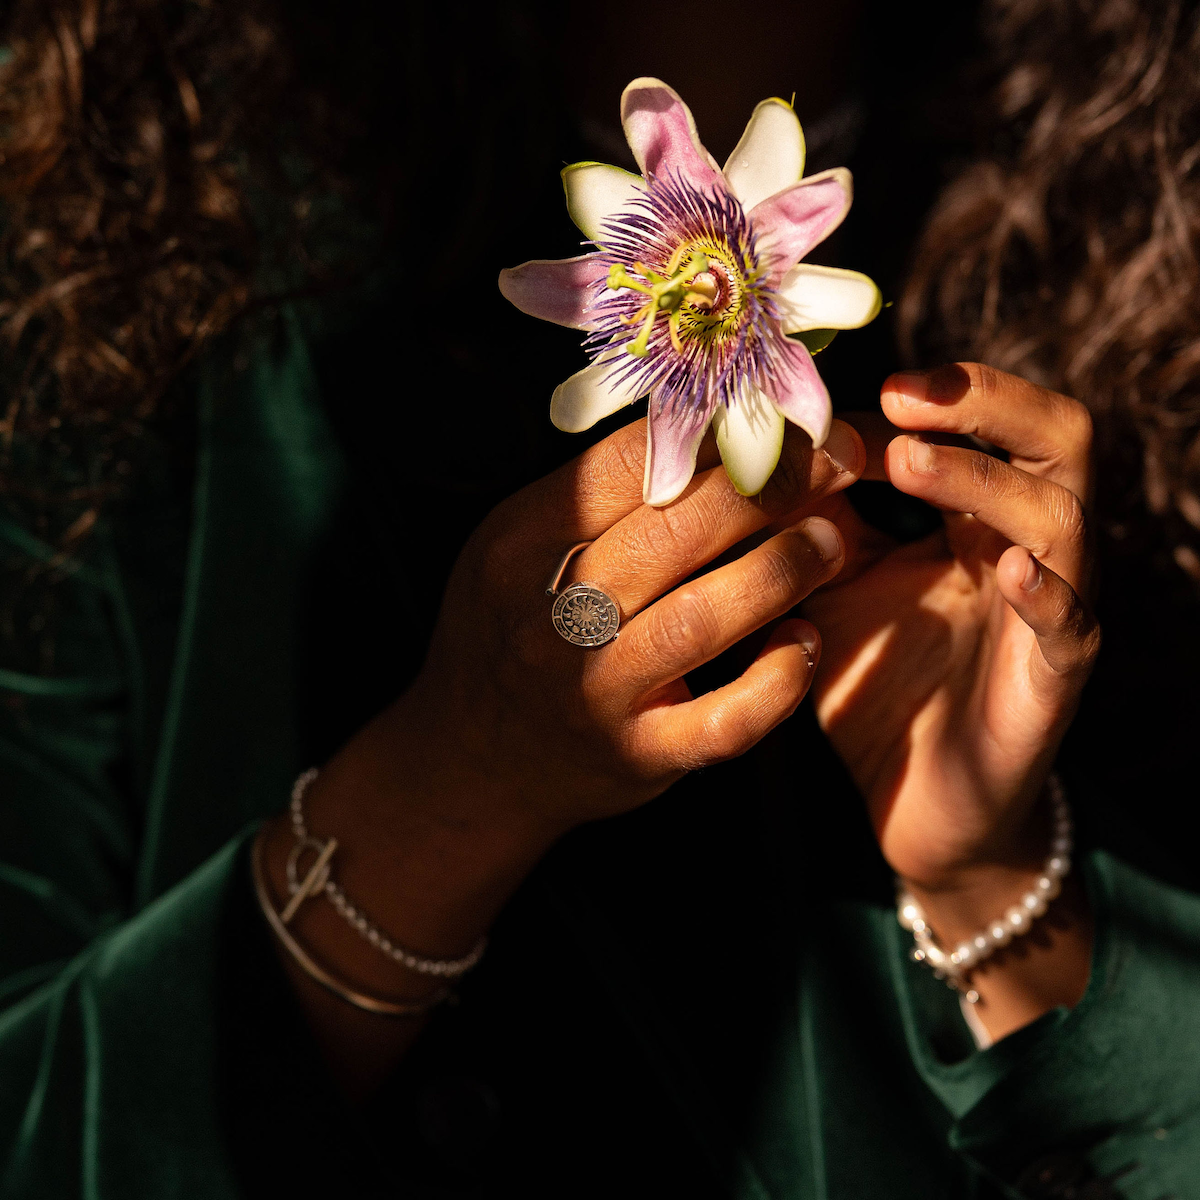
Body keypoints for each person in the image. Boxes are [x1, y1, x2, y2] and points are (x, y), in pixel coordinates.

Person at [2, 0, 1199, 1196]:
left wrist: (989, 875)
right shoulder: (109, 205)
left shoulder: (1160, 277)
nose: (696, 295)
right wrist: (450, 784)